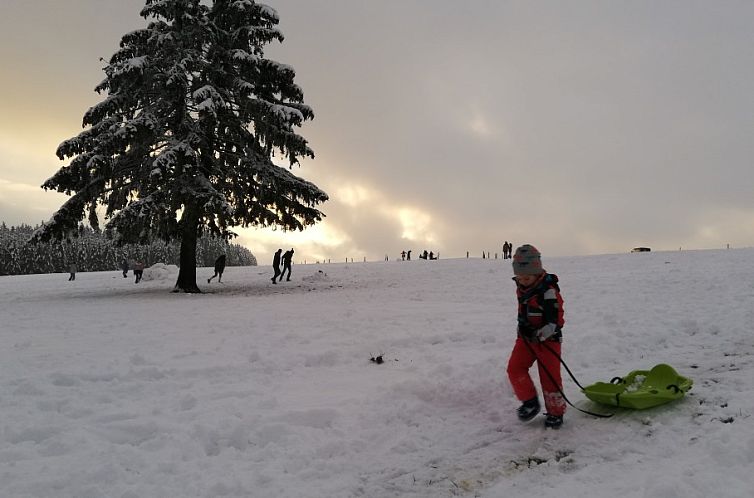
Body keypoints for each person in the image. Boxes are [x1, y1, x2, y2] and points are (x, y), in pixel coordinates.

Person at [506, 244, 566, 429]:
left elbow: (554, 322)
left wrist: (539, 334)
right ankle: (530, 401)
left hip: (548, 340)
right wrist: (522, 328)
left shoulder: (548, 291)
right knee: (514, 368)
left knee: (549, 377)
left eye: (527, 277)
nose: (522, 281)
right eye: (520, 277)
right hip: (525, 338)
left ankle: (556, 413)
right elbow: (522, 312)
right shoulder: (522, 288)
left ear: (537, 272)